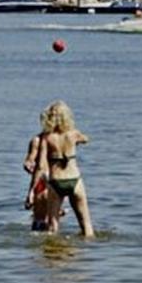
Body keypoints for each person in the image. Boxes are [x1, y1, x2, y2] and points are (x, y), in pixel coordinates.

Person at [32, 100, 94, 238]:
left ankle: (53, 253)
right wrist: (78, 141)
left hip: (56, 182)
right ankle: (90, 252)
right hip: (75, 181)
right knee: (86, 225)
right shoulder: (73, 134)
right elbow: (86, 139)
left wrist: (34, 189)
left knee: (53, 227)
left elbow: (42, 165)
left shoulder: (47, 138)